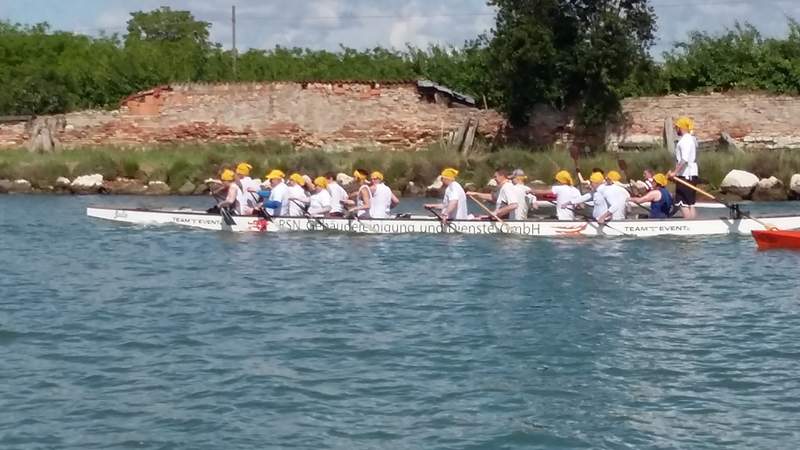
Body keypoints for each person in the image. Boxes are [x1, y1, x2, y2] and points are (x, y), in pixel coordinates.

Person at [668, 116, 699, 219]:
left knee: (682, 202)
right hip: (691, 174)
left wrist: (675, 173)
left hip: (686, 175)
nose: (675, 130)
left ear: (680, 127)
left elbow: (684, 159)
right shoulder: (691, 139)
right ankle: (693, 225)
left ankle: (689, 225)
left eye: (676, 127)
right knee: (690, 203)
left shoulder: (685, 141)